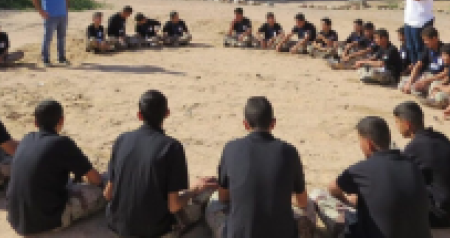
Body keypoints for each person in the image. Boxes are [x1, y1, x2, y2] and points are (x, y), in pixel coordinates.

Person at [104, 90, 218, 237]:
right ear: (167, 113)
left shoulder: (122, 140)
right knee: (207, 191)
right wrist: (195, 189)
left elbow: (108, 194)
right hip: (155, 231)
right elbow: (174, 205)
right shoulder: (172, 147)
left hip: (117, 224)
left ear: (139, 115)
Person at [206, 97, 315, 238]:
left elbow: (223, 197)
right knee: (310, 205)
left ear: (245, 124)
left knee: (213, 203)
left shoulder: (231, 148)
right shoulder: (289, 151)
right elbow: (302, 201)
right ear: (273, 123)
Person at [312, 116, 432, 238]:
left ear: (369, 144)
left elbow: (333, 188)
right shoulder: (412, 165)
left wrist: (346, 201)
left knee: (317, 195)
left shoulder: (360, 170)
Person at [7, 100, 105, 235]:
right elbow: (95, 179)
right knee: (103, 190)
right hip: (46, 221)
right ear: (61, 121)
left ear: (35, 123)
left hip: (15, 217)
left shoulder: (27, 139)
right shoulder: (62, 144)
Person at [394, 101, 450, 229]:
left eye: (397, 123)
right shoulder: (441, 137)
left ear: (407, 124)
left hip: (441, 215)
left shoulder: (415, 147)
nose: (396, 127)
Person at [31, 0, 70, 67]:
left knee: (61, 37)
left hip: (62, 14)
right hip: (50, 15)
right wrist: (40, 11)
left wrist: (66, 10)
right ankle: (46, 59)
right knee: (48, 38)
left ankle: (61, 58)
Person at [398, 0, 434, 65]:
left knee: (419, 46)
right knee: (410, 46)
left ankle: (422, 69)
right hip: (410, 19)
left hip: (421, 20)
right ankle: (414, 68)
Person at [399, 27, 448, 97]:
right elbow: (418, 65)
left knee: (434, 92)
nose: (425, 42)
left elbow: (446, 72)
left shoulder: (445, 50)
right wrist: (410, 82)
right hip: (426, 75)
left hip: (437, 78)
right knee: (402, 85)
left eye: (426, 40)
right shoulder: (427, 49)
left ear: (434, 38)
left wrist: (426, 81)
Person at [421, 43, 450, 110]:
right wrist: (438, 86)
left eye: (444, 55)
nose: (442, 57)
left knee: (440, 96)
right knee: (435, 85)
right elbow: (448, 79)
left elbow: (449, 89)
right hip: (449, 89)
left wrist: (439, 87)